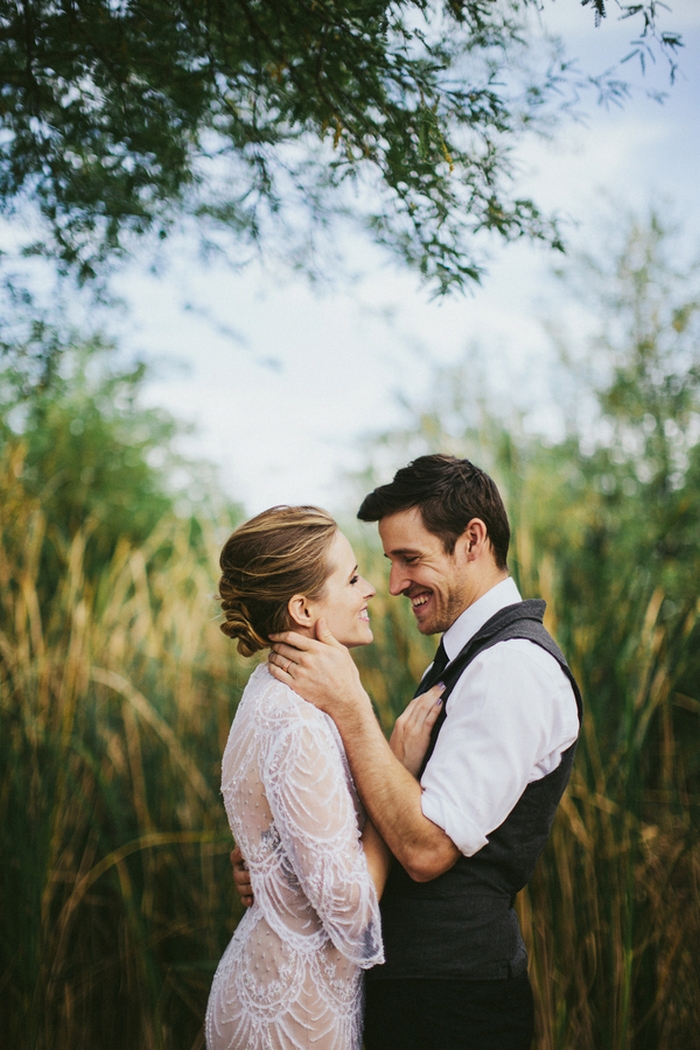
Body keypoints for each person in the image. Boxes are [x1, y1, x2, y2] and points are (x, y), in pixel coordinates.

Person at [256, 455, 583, 1050]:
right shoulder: (466, 653)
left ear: (472, 541)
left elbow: (428, 849)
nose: (396, 583)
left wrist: (353, 710)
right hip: (419, 995)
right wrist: (286, 866)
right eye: (389, 562)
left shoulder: (512, 667)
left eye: (410, 558)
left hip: (455, 1005)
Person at [205, 505, 442, 1050]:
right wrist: (398, 769)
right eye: (353, 577)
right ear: (303, 607)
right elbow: (353, 913)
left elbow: (285, 841)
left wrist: (263, 869)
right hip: (293, 1015)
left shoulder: (270, 692)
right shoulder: (299, 723)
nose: (371, 591)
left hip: (280, 987)